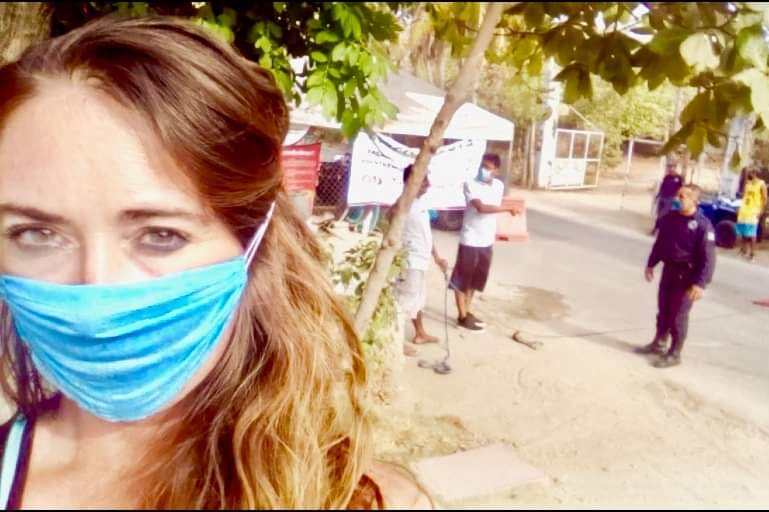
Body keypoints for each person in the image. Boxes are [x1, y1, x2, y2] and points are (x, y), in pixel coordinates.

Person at [0, 16, 431, 509]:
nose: (94, 289)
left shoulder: (353, 500)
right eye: (37, 234)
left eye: (161, 235)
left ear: (254, 245)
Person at [636, 184, 717, 368]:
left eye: (682, 196)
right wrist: (651, 264)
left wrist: (700, 284)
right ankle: (659, 343)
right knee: (663, 310)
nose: (677, 199)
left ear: (694, 200)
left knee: (678, 316)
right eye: (677, 195)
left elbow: (708, 258)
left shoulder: (703, 226)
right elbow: (660, 244)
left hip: (687, 276)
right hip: (669, 272)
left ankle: (675, 353)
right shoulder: (670, 219)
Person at [449, 154, 520, 331]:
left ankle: (468, 309)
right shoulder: (470, 184)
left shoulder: (498, 186)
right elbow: (480, 207)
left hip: (486, 240)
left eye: (488, 167)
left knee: (475, 280)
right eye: (482, 166)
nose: (484, 170)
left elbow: (495, 208)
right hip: (470, 239)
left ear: (497, 170)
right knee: (462, 279)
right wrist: (508, 208)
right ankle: (462, 315)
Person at [393, 165, 449, 356]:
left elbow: (426, 234)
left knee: (418, 300)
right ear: (412, 181)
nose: (429, 184)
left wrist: (437, 257)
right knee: (403, 302)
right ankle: (395, 342)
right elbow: (388, 221)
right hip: (409, 262)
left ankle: (420, 333)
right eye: (424, 180)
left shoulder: (421, 204)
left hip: (421, 260)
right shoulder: (403, 204)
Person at [736, 169, 768, 262]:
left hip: (753, 211)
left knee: (751, 234)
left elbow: (765, 198)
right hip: (744, 210)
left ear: (754, 173)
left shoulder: (761, 184)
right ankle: (743, 250)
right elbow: (744, 197)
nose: (748, 174)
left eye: (749, 173)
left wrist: (761, 211)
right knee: (743, 232)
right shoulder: (747, 184)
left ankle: (752, 254)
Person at [653, 160, 683, 235]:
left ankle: (656, 229)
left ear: (675, 168)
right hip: (663, 197)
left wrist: (678, 199)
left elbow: (680, 189)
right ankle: (658, 228)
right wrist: (658, 195)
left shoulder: (678, 178)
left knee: (663, 214)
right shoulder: (667, 177)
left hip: (671, 199)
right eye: (669, 167)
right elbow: (662, 186)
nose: (670, 169)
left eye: (672, 167)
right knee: (659, 213)